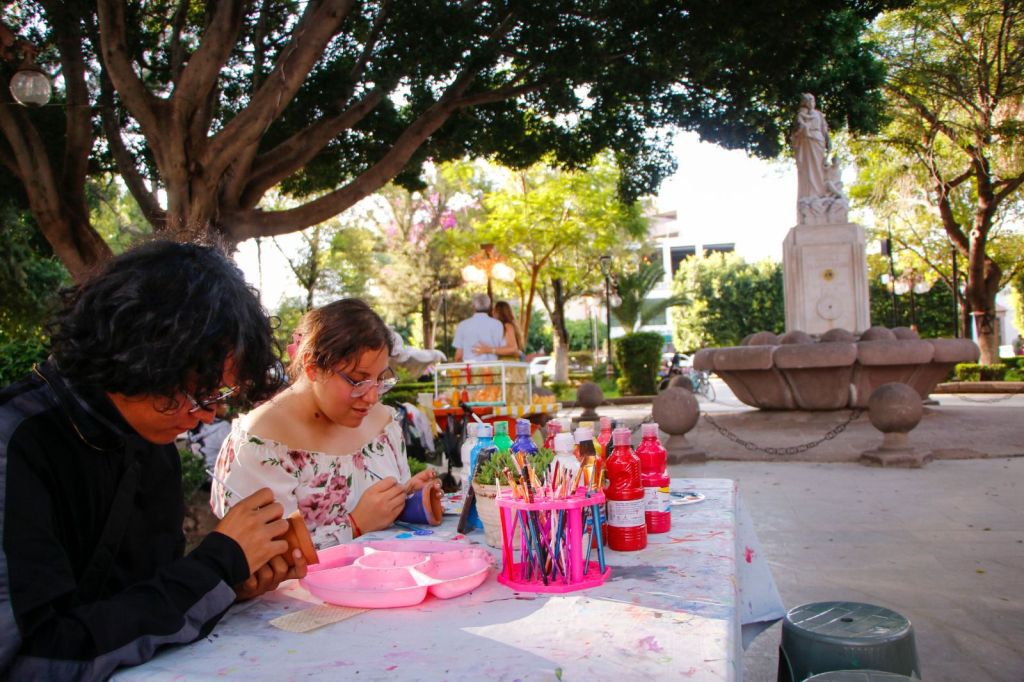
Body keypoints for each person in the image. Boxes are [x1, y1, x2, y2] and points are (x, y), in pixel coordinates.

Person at [0, 241, 305, 679]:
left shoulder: (153, 446)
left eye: (222, 396)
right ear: (140, 352)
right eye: (201, 391)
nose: (209, 414)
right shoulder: (16, 445)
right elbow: (32, 658)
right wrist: (214, 565)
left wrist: (225, 584)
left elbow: (142, 600)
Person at [211, 299, 440, 548]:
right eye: (357, 381)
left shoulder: (382, 422)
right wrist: (353, 526)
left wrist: (407, 497)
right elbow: (254, 561)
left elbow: (389, 521)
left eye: (380, 379)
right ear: (312, 368)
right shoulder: (260, 443)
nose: (372, 396)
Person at [792, 92, 831, 202]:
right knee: (807, 168)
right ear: (805, 103)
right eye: (808, 100)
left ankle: (821, 194)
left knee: (819, 167)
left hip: (818, 141)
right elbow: (796, 131)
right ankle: (810, 195)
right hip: (806, 142)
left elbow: (824, 129)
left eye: (812, 100)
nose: (811, 102)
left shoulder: (818, 114)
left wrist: (829, 140)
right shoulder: (801, 114)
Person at [452, 293, 504, 362]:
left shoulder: (463, 325)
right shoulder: (498, 324)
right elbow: (504, 349)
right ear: (489, 306)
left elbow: (458, 356)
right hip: (493, 369)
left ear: (473, 306)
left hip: (470, 370)